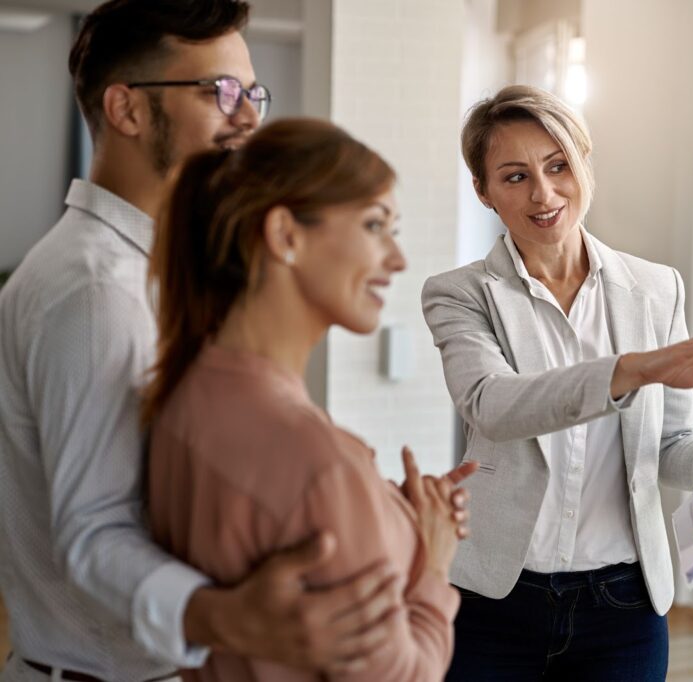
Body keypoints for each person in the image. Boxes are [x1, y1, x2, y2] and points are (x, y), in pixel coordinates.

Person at [0, 1, 446, 679]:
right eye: (221, 91)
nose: (248, 116)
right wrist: (226, 616)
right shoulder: (96, 291)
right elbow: (94, 534)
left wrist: (367, 503)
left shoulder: (169, 272)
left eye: (253, 92)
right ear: (128, 110)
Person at [421, 84, 693, 681]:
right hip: (495, 600)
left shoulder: (658, 289)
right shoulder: (460, 294)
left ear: (585, 161)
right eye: (514, 176)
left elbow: (666, 451)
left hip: (623, 606)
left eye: (559, 165)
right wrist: (632, 370)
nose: (544, 193)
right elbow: (493, 406)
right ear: (483, 191)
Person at [143, 117, 466, 682]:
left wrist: (388, 509)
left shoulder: (184, 397)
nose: (398, 260)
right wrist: (435, 563)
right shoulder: (320, 463)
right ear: (286, 236)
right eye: (374, 225)